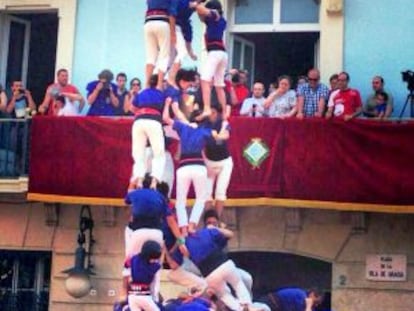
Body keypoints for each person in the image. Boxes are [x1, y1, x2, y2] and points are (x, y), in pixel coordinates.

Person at [163, 98, 228, 235]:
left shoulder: (183, 126)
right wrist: (224, 126)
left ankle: (184, 228)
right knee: (201, 199)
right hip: (199, 166)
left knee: (181, 200)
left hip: (183, 167)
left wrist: (168, 103)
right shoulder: (205, 130)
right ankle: (192, 225)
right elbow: (220, 137)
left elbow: (165, 118)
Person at [191, 0, 228, 119]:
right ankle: (224, 112)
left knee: (204, 79)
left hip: (215, 53)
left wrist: (196, 4)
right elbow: (202, 16)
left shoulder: (216, 15)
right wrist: (197, 6)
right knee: (219, 85)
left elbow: (204, 11)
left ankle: (206, 108)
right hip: (222, 53)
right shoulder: (217, 21)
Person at [129, 74, 167, 190]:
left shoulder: (142, 92)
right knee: (159, 153)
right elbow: (166, 114)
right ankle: (154, 182)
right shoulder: (161, 94)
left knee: (138, 153)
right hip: (154, 120)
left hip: (139, 121)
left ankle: (139, 180)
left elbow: (132, 108)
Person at [202, 105, 233, 216]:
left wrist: (217, 136)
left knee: (220, 192)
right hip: (209, 162)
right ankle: (208, 221)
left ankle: (217, 220)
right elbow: (201, 146)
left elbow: (226, 135)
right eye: (210, 112)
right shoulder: (204, 125)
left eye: (213, 112)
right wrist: (205, 163)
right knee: (206, 193)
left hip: (224, 163)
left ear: (218, 113)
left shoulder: (224, 123)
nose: (211, 115)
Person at [167, 0, 203, 85]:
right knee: (181, 52)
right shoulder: (183, 2)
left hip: (174, 27)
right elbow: (172, 14)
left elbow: (188, 39)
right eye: (198, 2)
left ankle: (164, 78)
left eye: (200, 2)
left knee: (172, 57)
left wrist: (191, 54)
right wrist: (173, 34)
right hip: (170, 26)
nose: (198, 4)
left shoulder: (186, 21)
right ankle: (171, 78)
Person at [144, 0, 178, 90]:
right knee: (164, 55)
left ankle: (146, 84)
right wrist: (173, 33)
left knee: (150, 57)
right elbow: (172, 13)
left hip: (148, 22)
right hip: (162, 21)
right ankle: (159, 85)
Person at [124, 240, 163, 311]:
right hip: (144, 297)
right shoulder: (152, 267)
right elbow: (159, 264)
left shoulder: (133, 259)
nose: (154, 260)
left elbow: (126, 265)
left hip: (132, 296)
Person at [258, 287, 323, 311]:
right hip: (270, 303)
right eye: (316, 302)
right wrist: (309, 305)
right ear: (312, 294)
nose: (316, 305)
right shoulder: (301, 296)